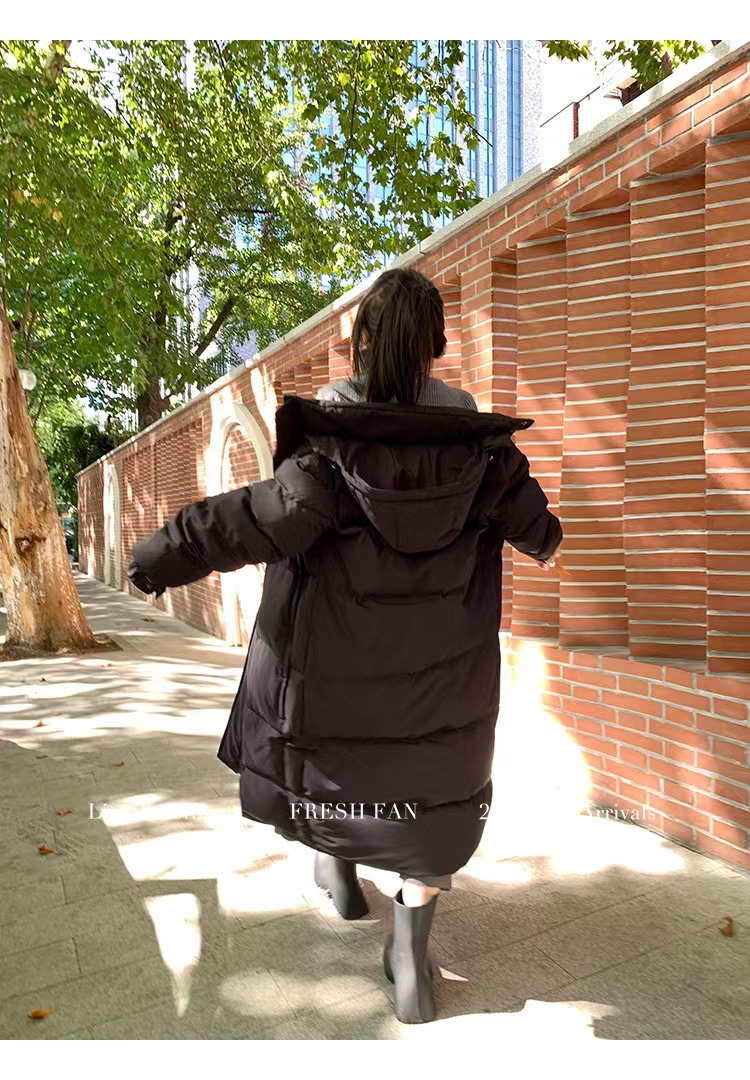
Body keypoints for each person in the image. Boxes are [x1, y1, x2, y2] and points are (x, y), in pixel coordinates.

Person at [128, 267, 563, 1024]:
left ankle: (339, 874)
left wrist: (157, 557)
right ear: (435, 348)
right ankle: (410, 959)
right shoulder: (484, 457)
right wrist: (537, 534)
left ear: (361, 345)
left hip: (337, 682)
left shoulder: (327, 459)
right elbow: (541, 533)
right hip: (442, 691)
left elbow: (243, 521)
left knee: (337, 776)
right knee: (428, 806)